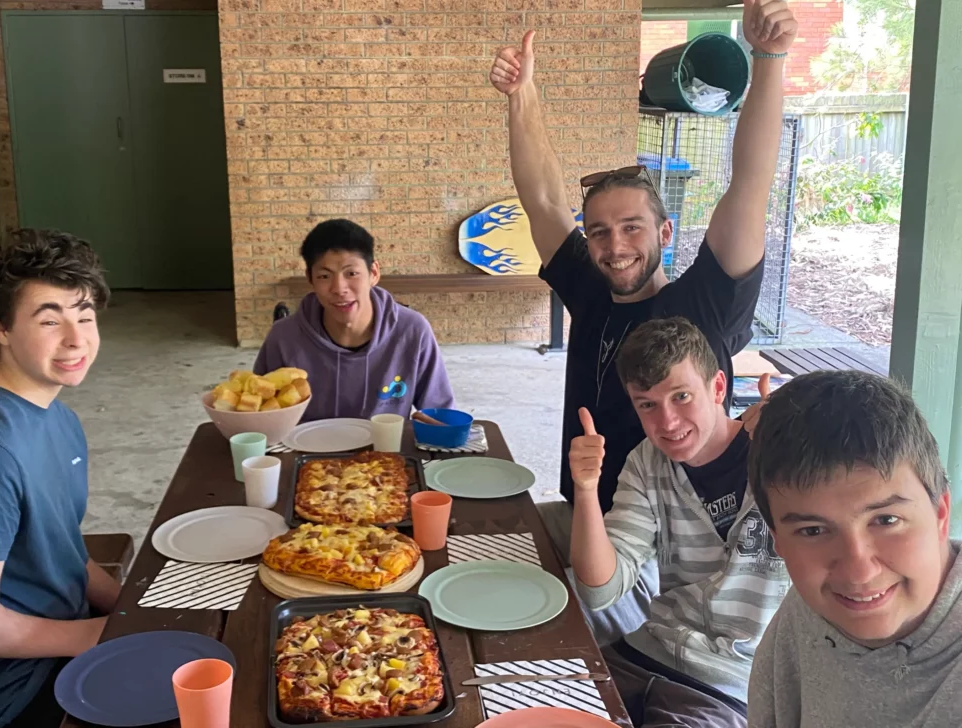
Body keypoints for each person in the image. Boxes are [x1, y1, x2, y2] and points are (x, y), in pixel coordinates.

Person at [488, 0, 799, 594]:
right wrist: (521, 95)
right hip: (591, 516)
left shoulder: (709, 299)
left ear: (664, 233)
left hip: (684, 542)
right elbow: (543, 201)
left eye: (631, 227)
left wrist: (770, 60)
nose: (615, 245)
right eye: (599, 231)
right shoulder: (590, 288)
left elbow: (750, 184)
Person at [0, 230, 120, 728]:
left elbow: (61, 552)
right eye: (49, 320)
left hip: (59, 631)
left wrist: (130, 611)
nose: (76, 338)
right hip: (4, 690)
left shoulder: (53, 413)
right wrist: (98, 636)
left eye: (85, 316)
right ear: (0, 326)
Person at [569, 317, 788, 726]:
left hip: (728, 686)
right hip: (644, 653)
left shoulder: (784, 457)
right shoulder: (646, 463)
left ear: (718, 388)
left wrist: (800, 435)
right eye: (647, 404)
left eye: (682, 396)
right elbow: (600, 592)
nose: (667, 423)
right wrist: (585, 490)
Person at [746, 370, 962, 727]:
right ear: (778, 542)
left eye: (886, 520)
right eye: (813, 530)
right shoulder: (804, 615)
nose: (859, 572)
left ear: (940, 513)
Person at [254, 218, 455, 422]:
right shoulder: (283, 337)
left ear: (373, 273)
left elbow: (440, 414)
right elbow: (260, 416)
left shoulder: (412, 331)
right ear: (310, 279)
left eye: (352, 273)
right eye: (324, 276)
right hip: (305, 452)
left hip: (385, 452)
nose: (339, 289)